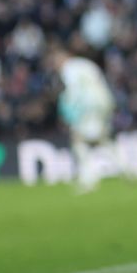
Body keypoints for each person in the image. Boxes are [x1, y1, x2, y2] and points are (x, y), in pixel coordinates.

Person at [50, 44, 114, 193]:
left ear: (63, 58)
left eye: (55, 61)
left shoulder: (69, 69)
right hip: (105, 101)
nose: (55, 65)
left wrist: (69, 112)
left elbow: (75, 91)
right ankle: (127, 169)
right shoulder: (86, 64)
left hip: (89, 106)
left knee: (77, 139)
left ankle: (88, 178)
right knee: (102, 139)